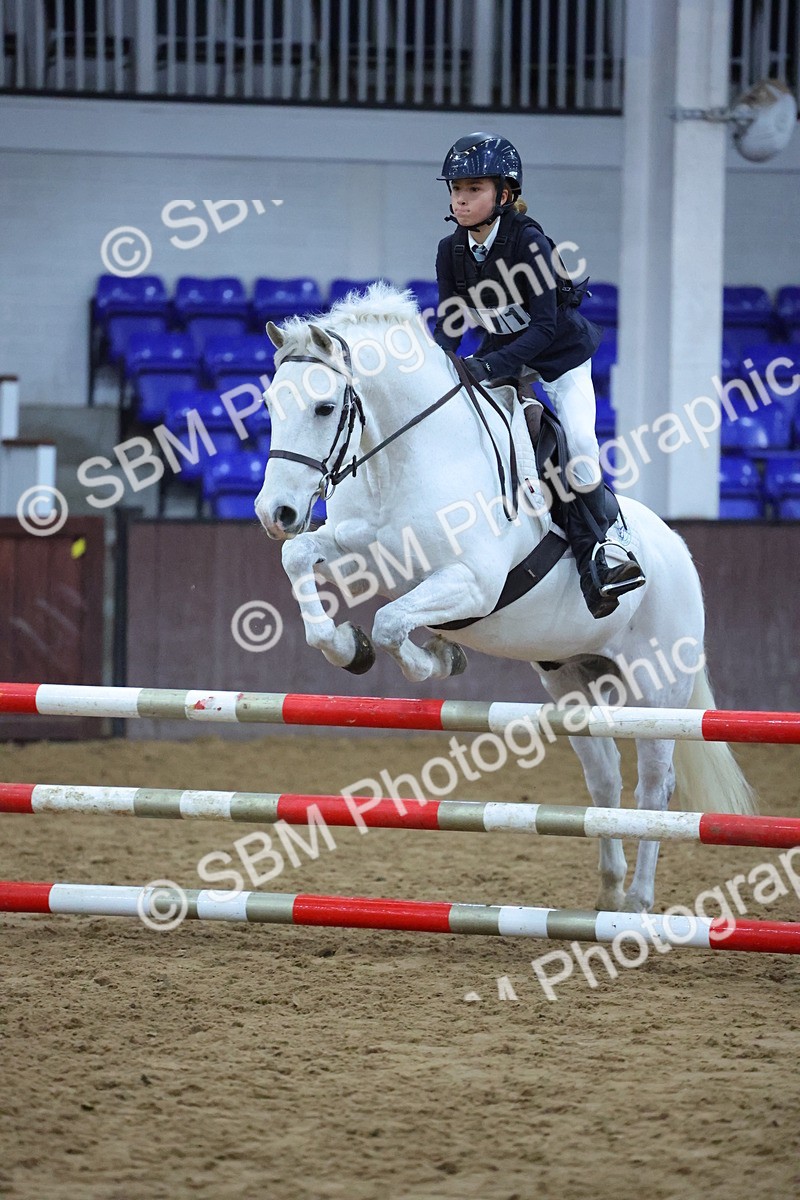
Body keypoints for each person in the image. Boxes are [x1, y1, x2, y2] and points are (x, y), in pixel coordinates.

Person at [432, 131, 645, 619]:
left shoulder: (529, 241)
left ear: (504, 194)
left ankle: (612, 546)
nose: (461, 200)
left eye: (473, 190)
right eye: (456, 190)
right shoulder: (450, 250)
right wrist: (443, 365)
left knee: (583, 451)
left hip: (559, 357)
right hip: (503, 352)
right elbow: (450, 322)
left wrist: (489, 367)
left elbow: (546, 327)